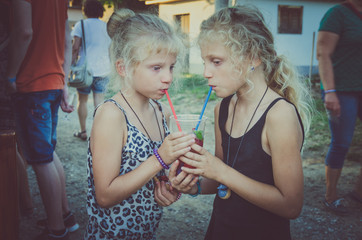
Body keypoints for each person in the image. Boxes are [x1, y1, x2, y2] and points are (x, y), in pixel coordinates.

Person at [169, 5, 313, 240]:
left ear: (253, 57)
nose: (205, 72)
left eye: (216, 61)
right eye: (204, 62)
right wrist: (192, 186)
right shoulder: (222, 109)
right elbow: (219, 182)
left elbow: (291, 206)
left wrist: (221, 171)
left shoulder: (279, 116)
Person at [84, 9, 194, 239]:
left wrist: (168, 186)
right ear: (123, 68)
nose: (168, 78)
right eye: (156, 68)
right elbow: (104, 196)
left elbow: (150, 175)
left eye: (171, 67)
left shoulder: (160, 111)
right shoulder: (112, 115)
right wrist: (160, 158)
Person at [6, 0, 79, 239]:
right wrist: (63, 81)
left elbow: (24, 32)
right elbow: (67, 40)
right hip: (53, 82)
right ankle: (65, 217)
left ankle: (56, 229)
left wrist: (10, 75)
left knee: (41, 160)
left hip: (30, 83)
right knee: (48, 154)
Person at [316, 0, 362, 214]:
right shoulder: (338, 14)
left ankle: (359, 193)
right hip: (342, 90)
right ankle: (330, 196)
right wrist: (330, 91)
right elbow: (323, 53)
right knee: (342, 142)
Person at [0, 0, 33, 219]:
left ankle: (16, 210)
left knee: (6, 142)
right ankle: (23, 205)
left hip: (5, 74)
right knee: (8, 142)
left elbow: (24, 31)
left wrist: (10, 75)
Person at [71, 0, 111, 141]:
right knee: (99, 102)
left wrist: (71, 64)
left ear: (85, 10)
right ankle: (98, 134)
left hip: (85, 70)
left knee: (82, 101)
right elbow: (110, 49)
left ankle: (83, 132)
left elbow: (75, 48)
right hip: (104, 69)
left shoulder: (80, 25)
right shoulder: (106, 27)